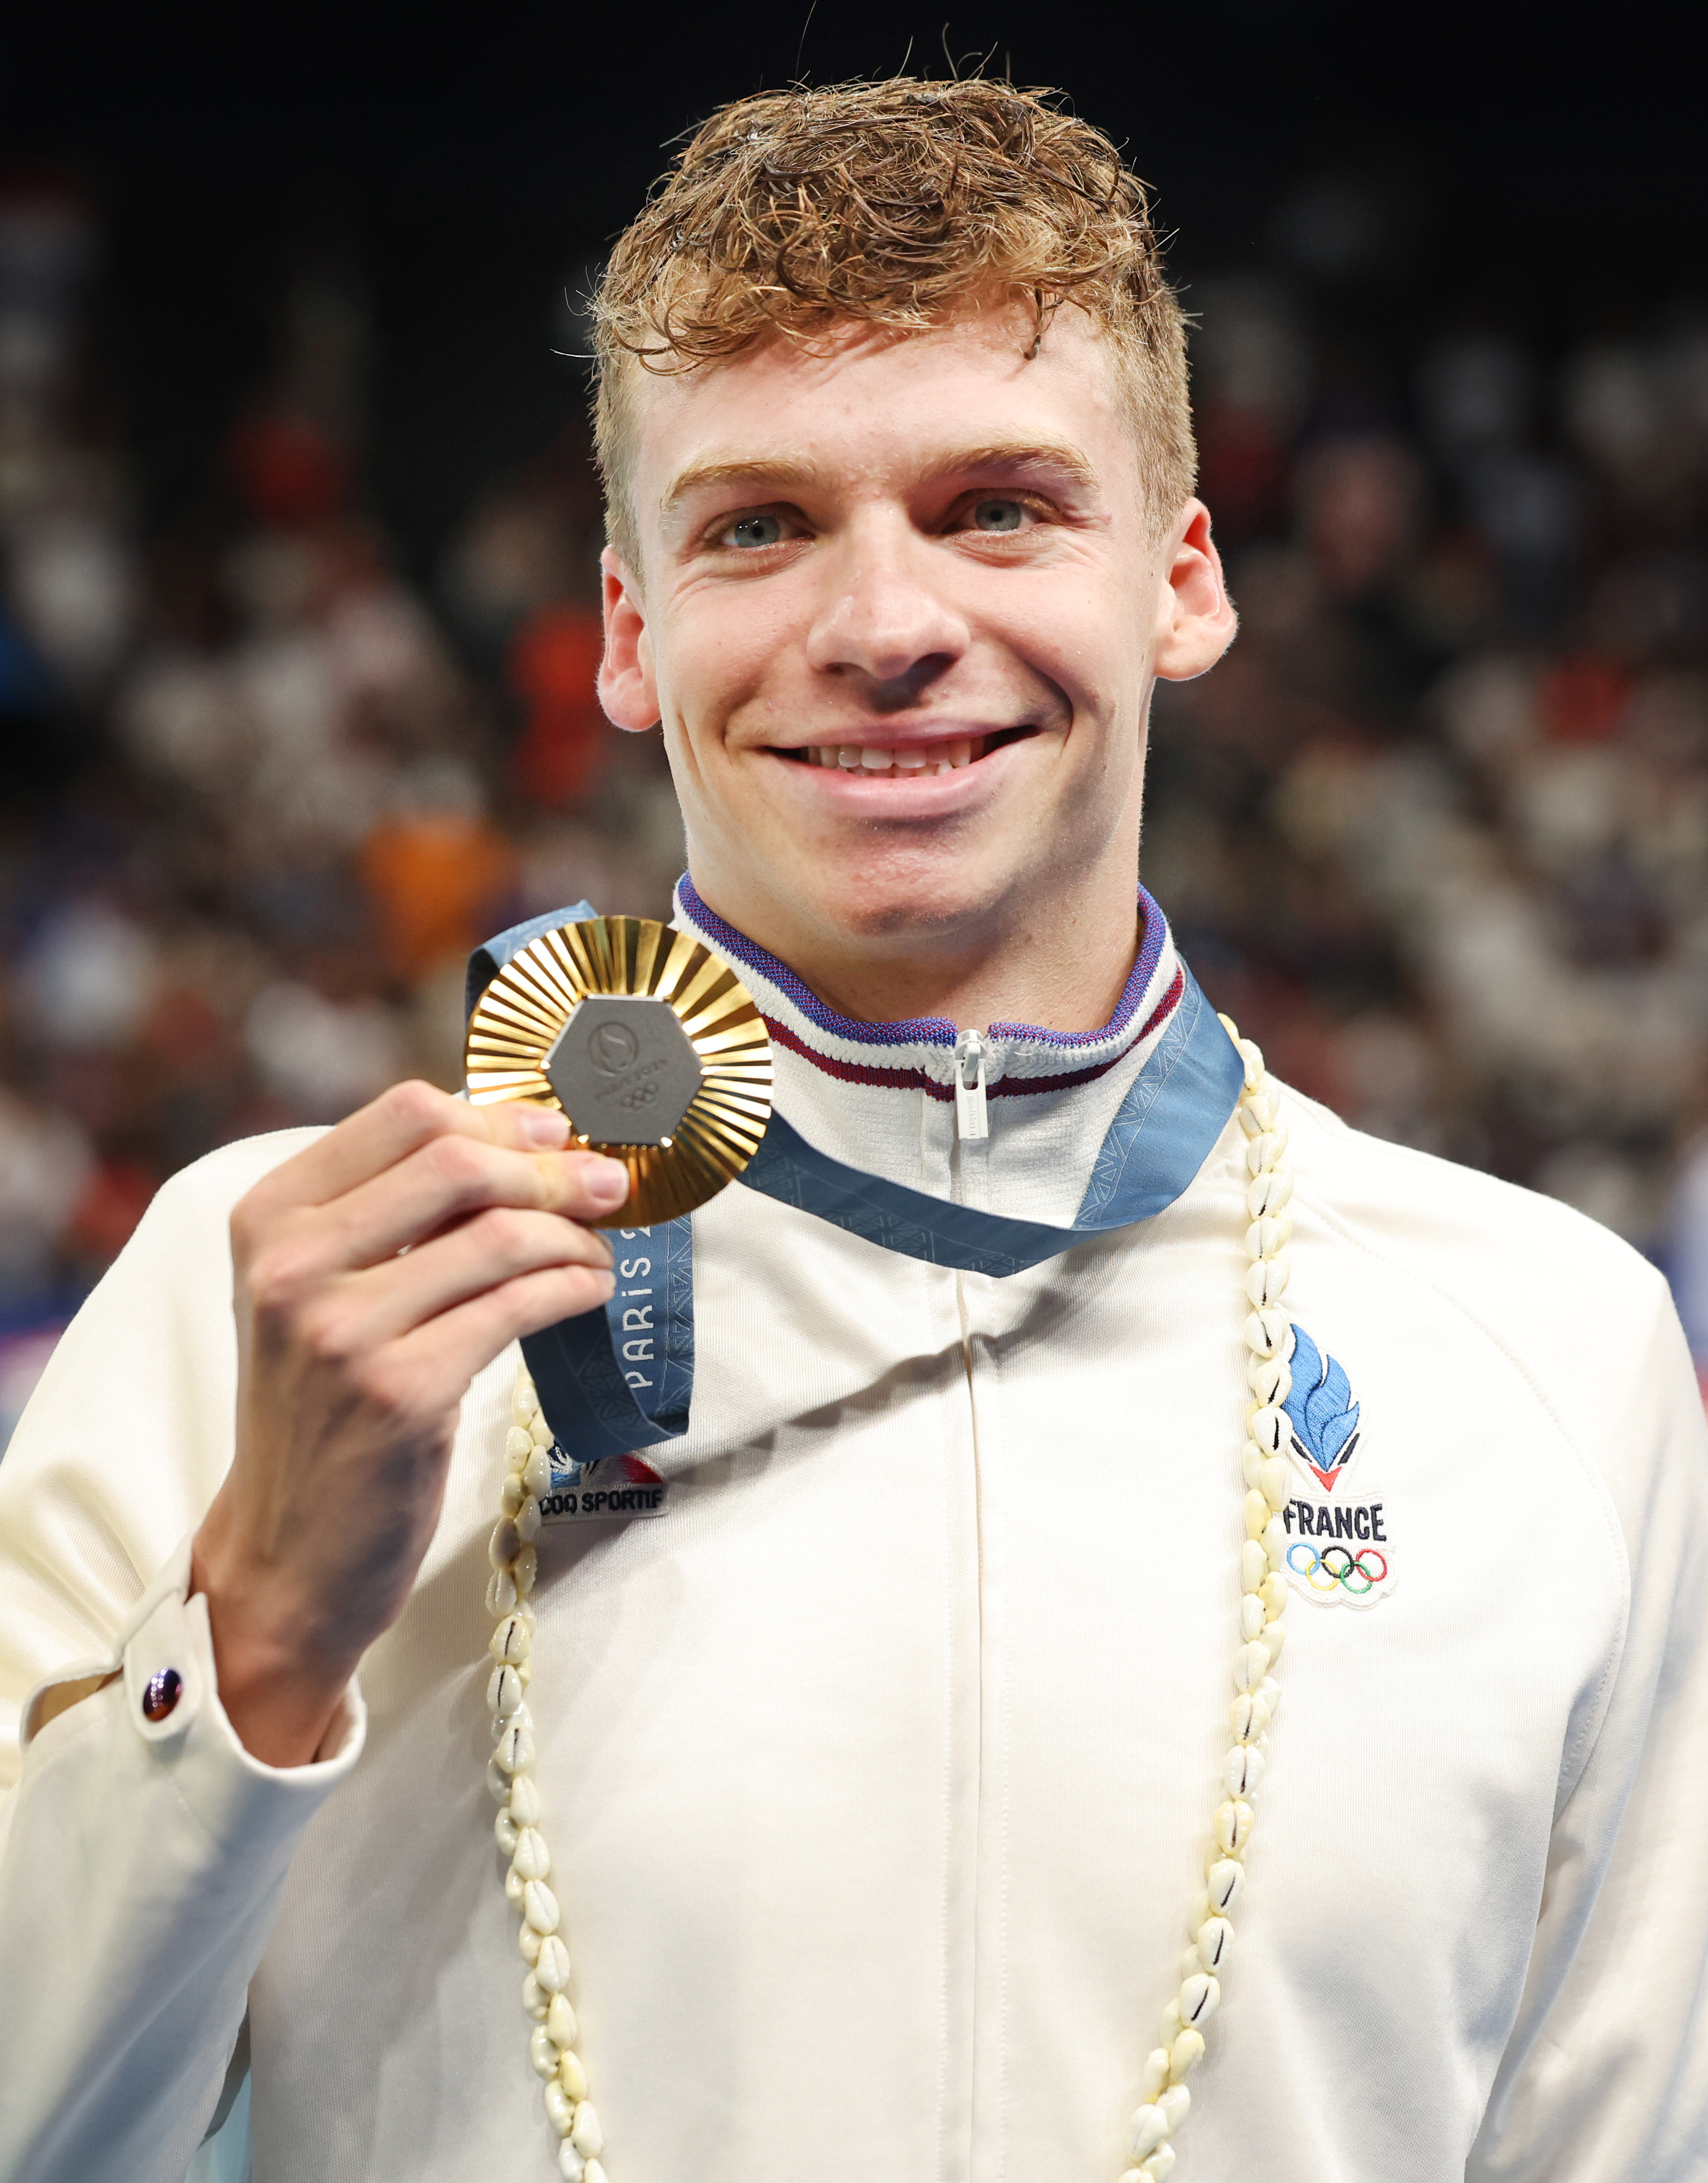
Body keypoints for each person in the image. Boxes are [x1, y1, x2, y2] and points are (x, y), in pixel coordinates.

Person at [2, 77, 1706, 2183]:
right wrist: (250, 1629)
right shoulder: (276, 1293)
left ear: (1179, 582)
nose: (884, 630)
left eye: (998, 506)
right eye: (757, 524)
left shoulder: (1546, 1351)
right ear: (628, 634)